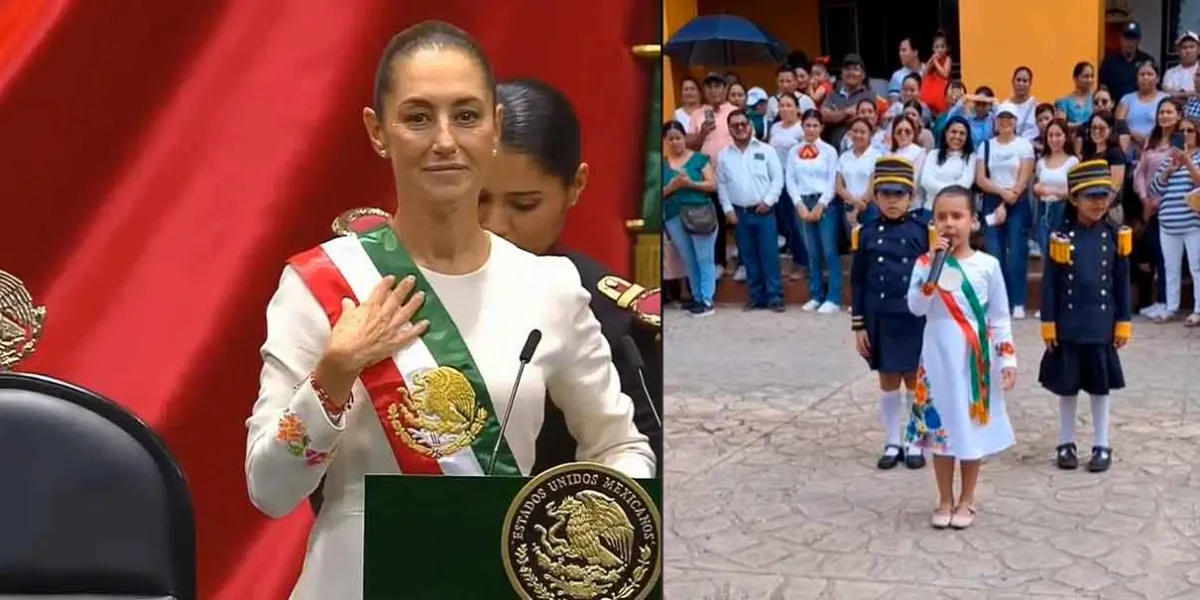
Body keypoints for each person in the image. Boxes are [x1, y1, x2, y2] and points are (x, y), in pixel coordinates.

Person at [244, 22, 654, 600]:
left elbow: (621, 448)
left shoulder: (549, 287)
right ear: (377, 131)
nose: (444, 140)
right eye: (417, 117)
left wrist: (580, 548)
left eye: (466, 115)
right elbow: (270, 489)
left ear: (494, 128)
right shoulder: (321, 285)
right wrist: (334, 372)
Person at [480, 79, 664, 475]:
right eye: (476, 199)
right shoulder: (401, 296)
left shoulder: (617, 322)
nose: (495, 225)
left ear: (575, 187)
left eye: (524, 204)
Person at [906, 185, 1017, 530]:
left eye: (957, 216)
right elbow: (916, 307)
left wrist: (1008, 358)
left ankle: (967, 499)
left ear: (973, 221)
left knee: (970, 430)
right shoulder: (925, 264)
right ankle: (943, 498)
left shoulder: (988, 265)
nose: (949, 224)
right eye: (941, 217)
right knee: (941, 432)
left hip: (975, 361)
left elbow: (999, 316)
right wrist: (932, 274)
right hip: (937, 357)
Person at [1039, 160, 1132, 473]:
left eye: (1103, 196)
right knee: (1068, 386)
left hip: (1101, 324)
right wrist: (1048, 323)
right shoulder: (1060, 237)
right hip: (1068, 323)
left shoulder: (1116, 235)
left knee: (1099, 386)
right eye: (1091, 196)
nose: (1098, 202)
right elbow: (1050, 285)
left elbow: (1121, 283)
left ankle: (1102, 443)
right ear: (1074, 199)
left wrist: (1124, 321)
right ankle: (1066, 442)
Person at [850, 157, 934, 470]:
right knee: (887, 379)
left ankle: (914, 440)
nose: (892, 201)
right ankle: (892, 440)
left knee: (913, 378)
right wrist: (859, 324)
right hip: (880, 316)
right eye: (885, 194)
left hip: (913, 316)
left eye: (899, 194)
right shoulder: (867, 233)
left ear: (910, 196)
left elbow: (933, 276)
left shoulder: (923, 231)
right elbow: (858, 280)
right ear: (876, 195)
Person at [717, 109, 786, 311]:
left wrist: (769, 201)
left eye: (743, 124)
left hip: (764, 212)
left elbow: (777, 179)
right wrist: (728, 209)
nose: (740, 128)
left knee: (769, 256)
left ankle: (775, 297)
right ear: (729, 129)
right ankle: (757, 297)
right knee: (749, 258)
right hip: (740, 214)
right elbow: (721, 184)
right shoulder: (723, 155)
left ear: (750, 126)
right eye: (735, 125)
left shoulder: (767, 150)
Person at [785, 109, 841, 313]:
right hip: (802, 202)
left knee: (829, 251)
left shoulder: (829, 151)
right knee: (812, 251)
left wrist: (821, 205)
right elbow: (790, 179)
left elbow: (832, 180)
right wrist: (798, 204)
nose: (810, 129)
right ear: (802, 127)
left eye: (815, 125)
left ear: (821, 128)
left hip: (824, 203)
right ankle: (816, 294)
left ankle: (833, 297)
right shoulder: (794, 151)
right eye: (807, 125)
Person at [662, 120, 719, 315]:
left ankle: (707, 298)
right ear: (665, 141)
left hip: (699, 213)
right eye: (671, 139)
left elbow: (712, 185)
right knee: (689, 258)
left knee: (704, 257)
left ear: (684, 138)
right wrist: (673, 187)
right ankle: (696, 297)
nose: (675, 142)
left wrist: (690, 184)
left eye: (678, 138)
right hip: (673, 216)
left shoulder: (699, 159)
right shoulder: (662, 165)